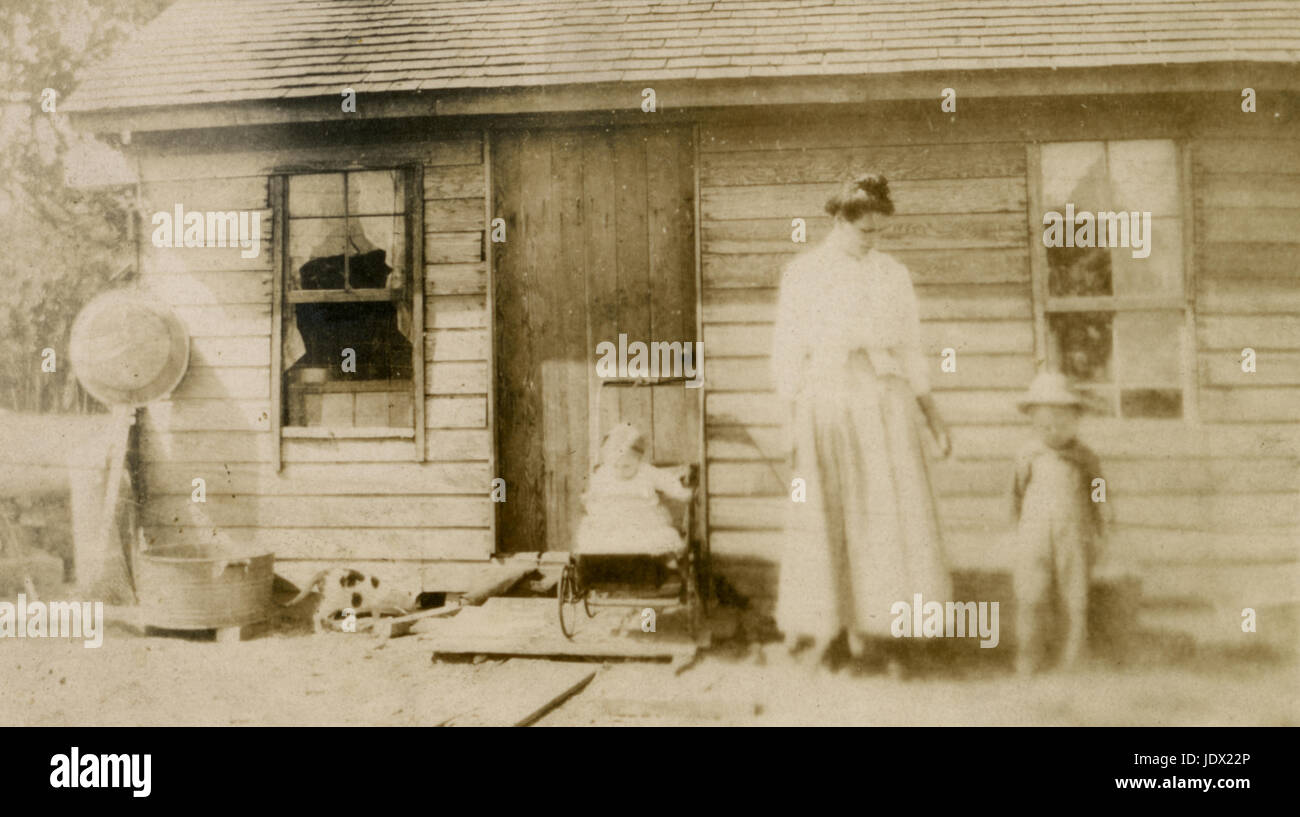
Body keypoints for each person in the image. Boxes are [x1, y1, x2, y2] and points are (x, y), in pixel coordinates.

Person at [771, 173, 952, 672]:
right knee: (827, 515)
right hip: (826, 399)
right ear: (838, 220)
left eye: (879, 232)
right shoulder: (804, 273)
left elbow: (911, 349)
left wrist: (932, 414)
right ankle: (829, 632)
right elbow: (788, 353)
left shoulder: (892, 274)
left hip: (883, 401)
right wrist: (789, 421)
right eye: (863, 231)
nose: (872, 241)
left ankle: (885, 635)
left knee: (885, 518)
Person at [1010, 370, 1109, 674]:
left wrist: (1102, 527)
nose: (1053, 428)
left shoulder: (1086, 458)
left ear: (1076, 420)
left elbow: (1099, 493)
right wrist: (1017, 530)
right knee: (1031, 594)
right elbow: (1015, 494)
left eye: (1062, 420)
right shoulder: (1028, 455)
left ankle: (1073, 659)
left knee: (1074, 595)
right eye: (1045, 422)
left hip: (1074, 534)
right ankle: (1028, 656)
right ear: (1034, 422)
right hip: (1035, 534)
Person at [574, 422, 692, 557]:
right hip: (612, 522)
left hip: (644, 521)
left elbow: (667, 481)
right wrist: (590, 500)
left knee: (661, 538)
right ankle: (601, 563)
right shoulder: (604, 473)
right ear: (608, 460)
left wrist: (681, 493)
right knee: (592, 535)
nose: (621, 471)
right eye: (616, 466)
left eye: (627, 466)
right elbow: (593, 494)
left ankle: (658, 562)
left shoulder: (646, 472)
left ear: (638, 459)